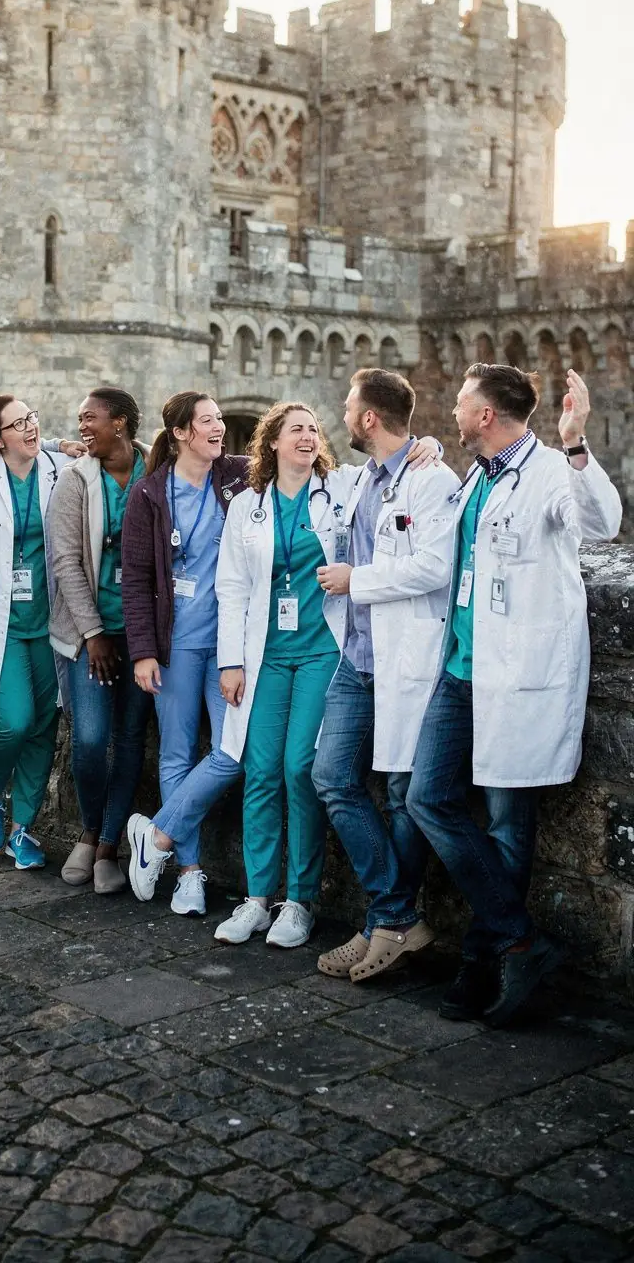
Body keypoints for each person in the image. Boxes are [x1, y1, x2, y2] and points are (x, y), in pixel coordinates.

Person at [405, 365, 622, 1027]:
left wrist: (579, 444)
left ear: (490, 416)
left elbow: (601, 522)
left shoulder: (552, 471)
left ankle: (484, 961)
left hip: (516, 677)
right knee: (426, 799)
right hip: (460, 668)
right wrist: (428, 459)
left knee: (505, 822)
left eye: (464, 406)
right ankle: (521, 939)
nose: (455, 414)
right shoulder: (478, 473)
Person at [311, 368, 459, 980]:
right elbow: (274, 465)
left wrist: (358, 581)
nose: (342, 415)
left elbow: (433, 567)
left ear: (369, 418)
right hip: (356, 656)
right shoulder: (357, 478)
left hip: (405, 660)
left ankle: (383, 925)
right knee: (332, 777)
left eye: (348, 406)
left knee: (402, 795)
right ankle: (394, 916)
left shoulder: (431, 479)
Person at [211, 402, 350, 947]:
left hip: (321, 650)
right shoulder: (247, 506)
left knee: (300, 767)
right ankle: (256, 899)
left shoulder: (341, 490)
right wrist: (230, 660)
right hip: (265, 652)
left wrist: (426, 447)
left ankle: (300, 900)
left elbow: (399, 470)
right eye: (297, 429)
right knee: (260, 770)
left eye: (314, 430)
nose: (308, 437)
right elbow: (231, 587)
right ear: (271, 442)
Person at [123, 391, 248, 917]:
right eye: (207, 421)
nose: (219, 427)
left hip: (230, 644)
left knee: (233, 751)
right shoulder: (150, 493)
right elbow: (135, 579)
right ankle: (191, 875)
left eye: (220, 418)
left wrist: (421, 445)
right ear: (179, 432)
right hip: (175, 644)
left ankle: (156, 836)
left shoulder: (239, 475)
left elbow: (315, 468)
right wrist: (143, 652)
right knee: (175, 754)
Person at [48, 388, 153, 892]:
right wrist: (93, 634)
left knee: (131, 738)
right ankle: (89, 829)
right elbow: (65, 562)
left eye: (91, 418)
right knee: (90, 739)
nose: (82, 427)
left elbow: (234, 461)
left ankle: (110, 843)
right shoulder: (74, 481)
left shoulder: (158, 472)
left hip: (143, 634)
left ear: (123, 423)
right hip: (88, 636)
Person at [0, 396, 69, 869]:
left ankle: (22, 828)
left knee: (46, 724)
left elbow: (131, 454)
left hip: (51, 620)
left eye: (33, 418)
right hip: (1, 621)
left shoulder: (61, 467)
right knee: (13, 720)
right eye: (18, 424)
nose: (30, 428)